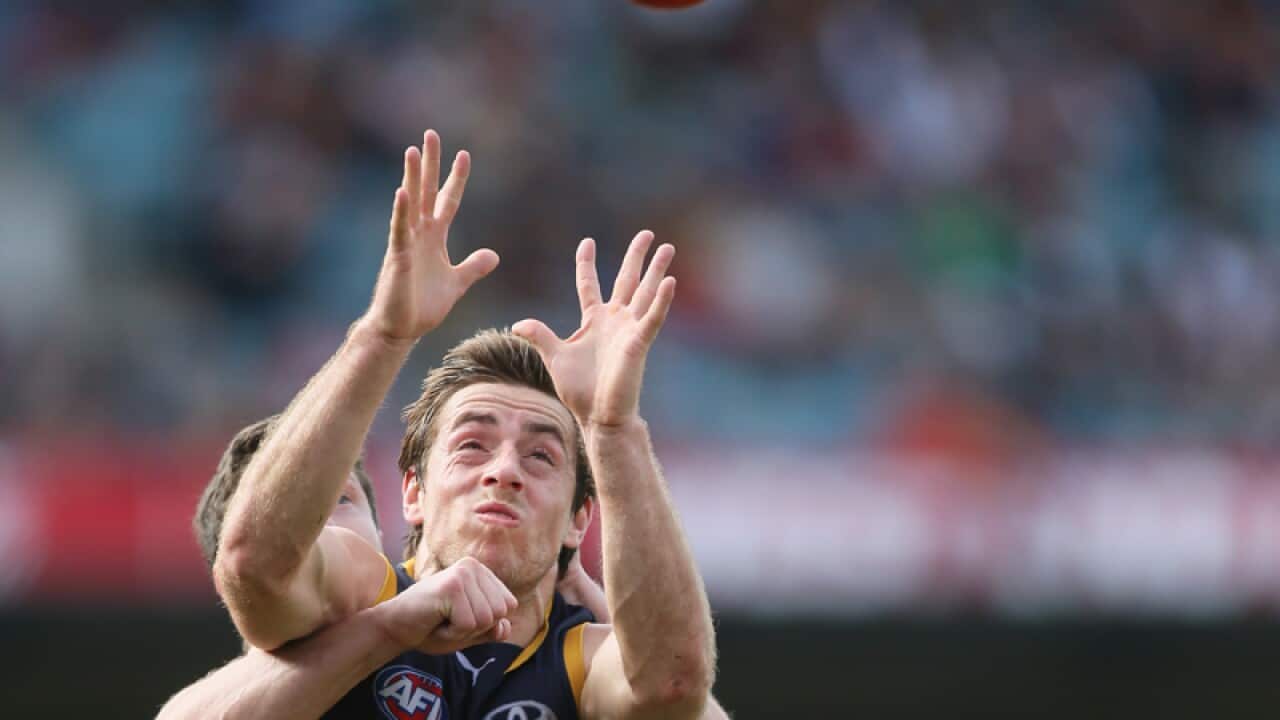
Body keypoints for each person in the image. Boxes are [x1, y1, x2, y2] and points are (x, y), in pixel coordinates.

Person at [209, 129, 715, 718]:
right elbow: (255, 570)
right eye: (472, 445)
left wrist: (612, 429)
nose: (504, 471)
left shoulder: (583, 663)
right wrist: (384, 335)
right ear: (413, 493)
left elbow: (671, 686)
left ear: (578, 522)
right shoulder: (364, 593)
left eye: (541, 456)